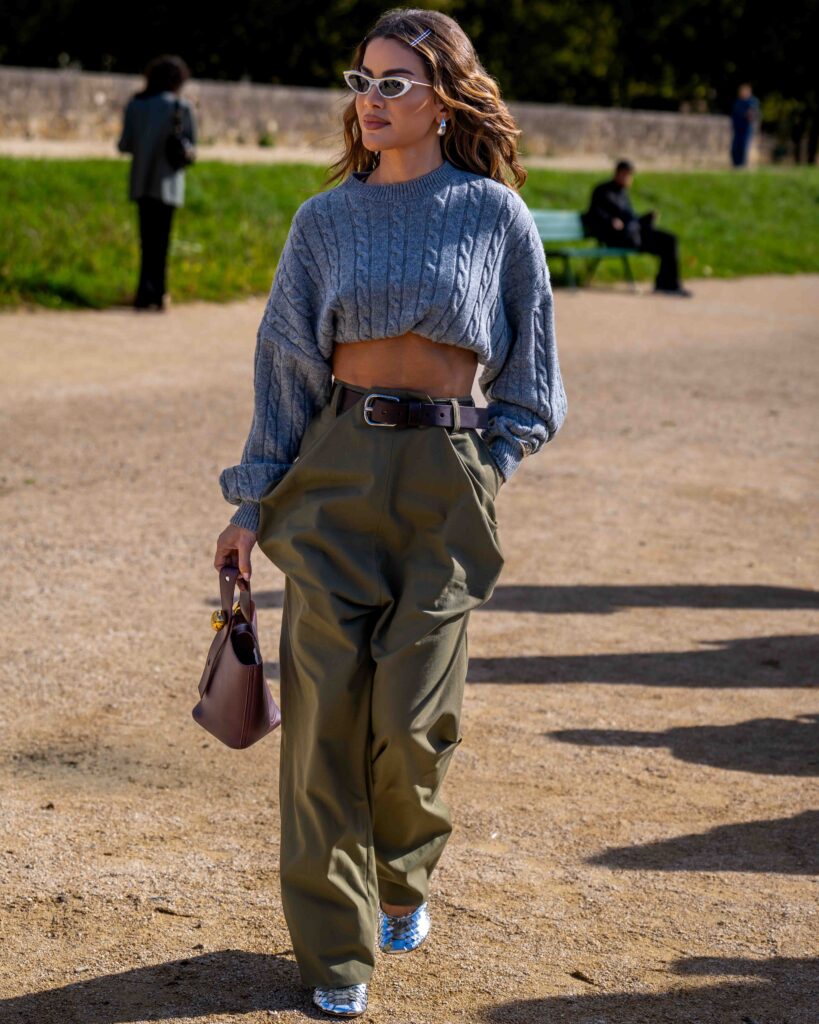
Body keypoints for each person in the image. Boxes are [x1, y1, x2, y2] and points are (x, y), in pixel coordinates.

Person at [213, 10, 568, 1019]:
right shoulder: (322, 221)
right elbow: (284, 365)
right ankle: (335, 953)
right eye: (363, 78)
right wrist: (252, 503)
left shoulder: (494, 213)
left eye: (396, 81)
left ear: (444, 98)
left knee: (413, 723)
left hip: (446, 481)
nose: (371, 97)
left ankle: (402, 872)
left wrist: (487, 466)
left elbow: (533, 377)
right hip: (332, 468)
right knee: (325, 719)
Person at [116, 54, 197, 311]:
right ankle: (159, 293)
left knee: (146, 242)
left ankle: (143, 293)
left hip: (141, 181)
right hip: (169, 184)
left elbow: (124, 145)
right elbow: (192, 150)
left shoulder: (136, 105)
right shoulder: (180, 107)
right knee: (162, 243)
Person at [584, 159, 692, 297]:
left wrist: (645, 218)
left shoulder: (623, 193)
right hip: (618, 237)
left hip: (634, 234)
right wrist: (610, 220)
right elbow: (593, 214)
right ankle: (667, 285)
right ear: (617, 173)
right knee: (664, 242)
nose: (628, 179)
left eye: (630, 176)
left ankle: (667, 284)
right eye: (626, 175)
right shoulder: (602, 191)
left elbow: (629, 217)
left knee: (670, 240)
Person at [731, 82, 760, 168]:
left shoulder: (752, 102)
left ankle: (741, 165)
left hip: (746, 128)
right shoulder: (738, 102)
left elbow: (753, 114)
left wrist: (750, 115)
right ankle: (736, 164)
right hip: (737, 128)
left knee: (743, 147)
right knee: (735, 147)